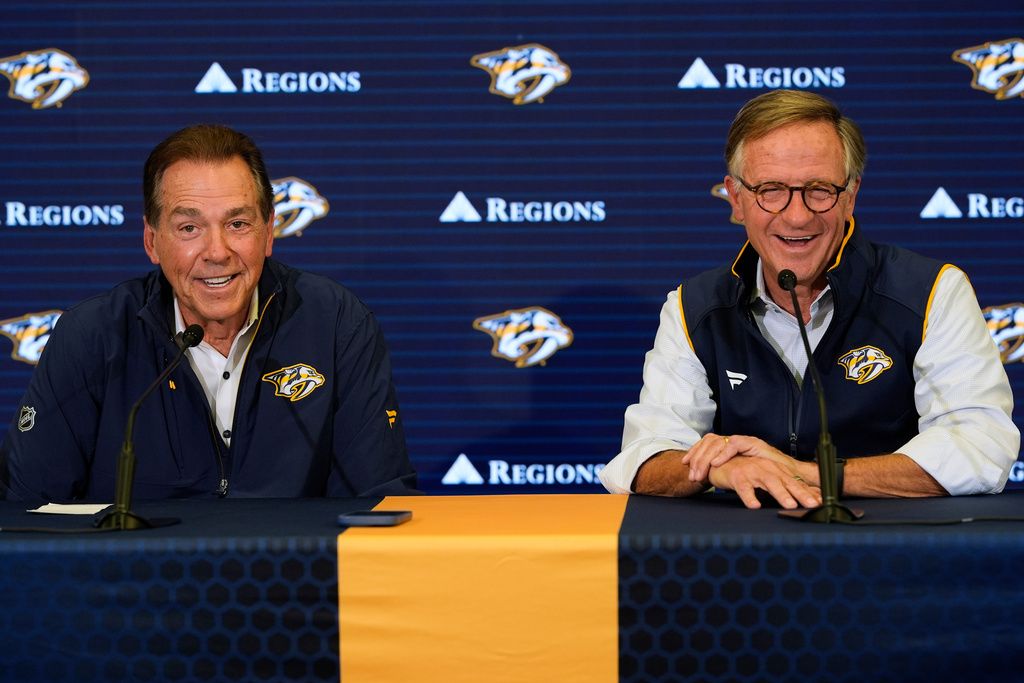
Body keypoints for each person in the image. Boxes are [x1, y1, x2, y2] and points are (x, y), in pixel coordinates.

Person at [599, 89, 1018, 509]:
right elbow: (642, 457)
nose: (797, 215)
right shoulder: (695, 308)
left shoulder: (931, 292)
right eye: (771, 190)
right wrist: (715, 467)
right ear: (736, 198)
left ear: (850, 196)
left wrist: (805, 474)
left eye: (819, 189)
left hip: (895, 553)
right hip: (745, 559)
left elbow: (980, 447)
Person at [0, 124, 417, 501]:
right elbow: (25, 509)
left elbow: (379, 505)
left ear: (269, 232)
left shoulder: (337, 325)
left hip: (292, 581)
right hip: (138, 584)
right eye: (189, 228)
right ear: (152, 241)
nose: (217, 252)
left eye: (238, 224)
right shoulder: (90, 337)